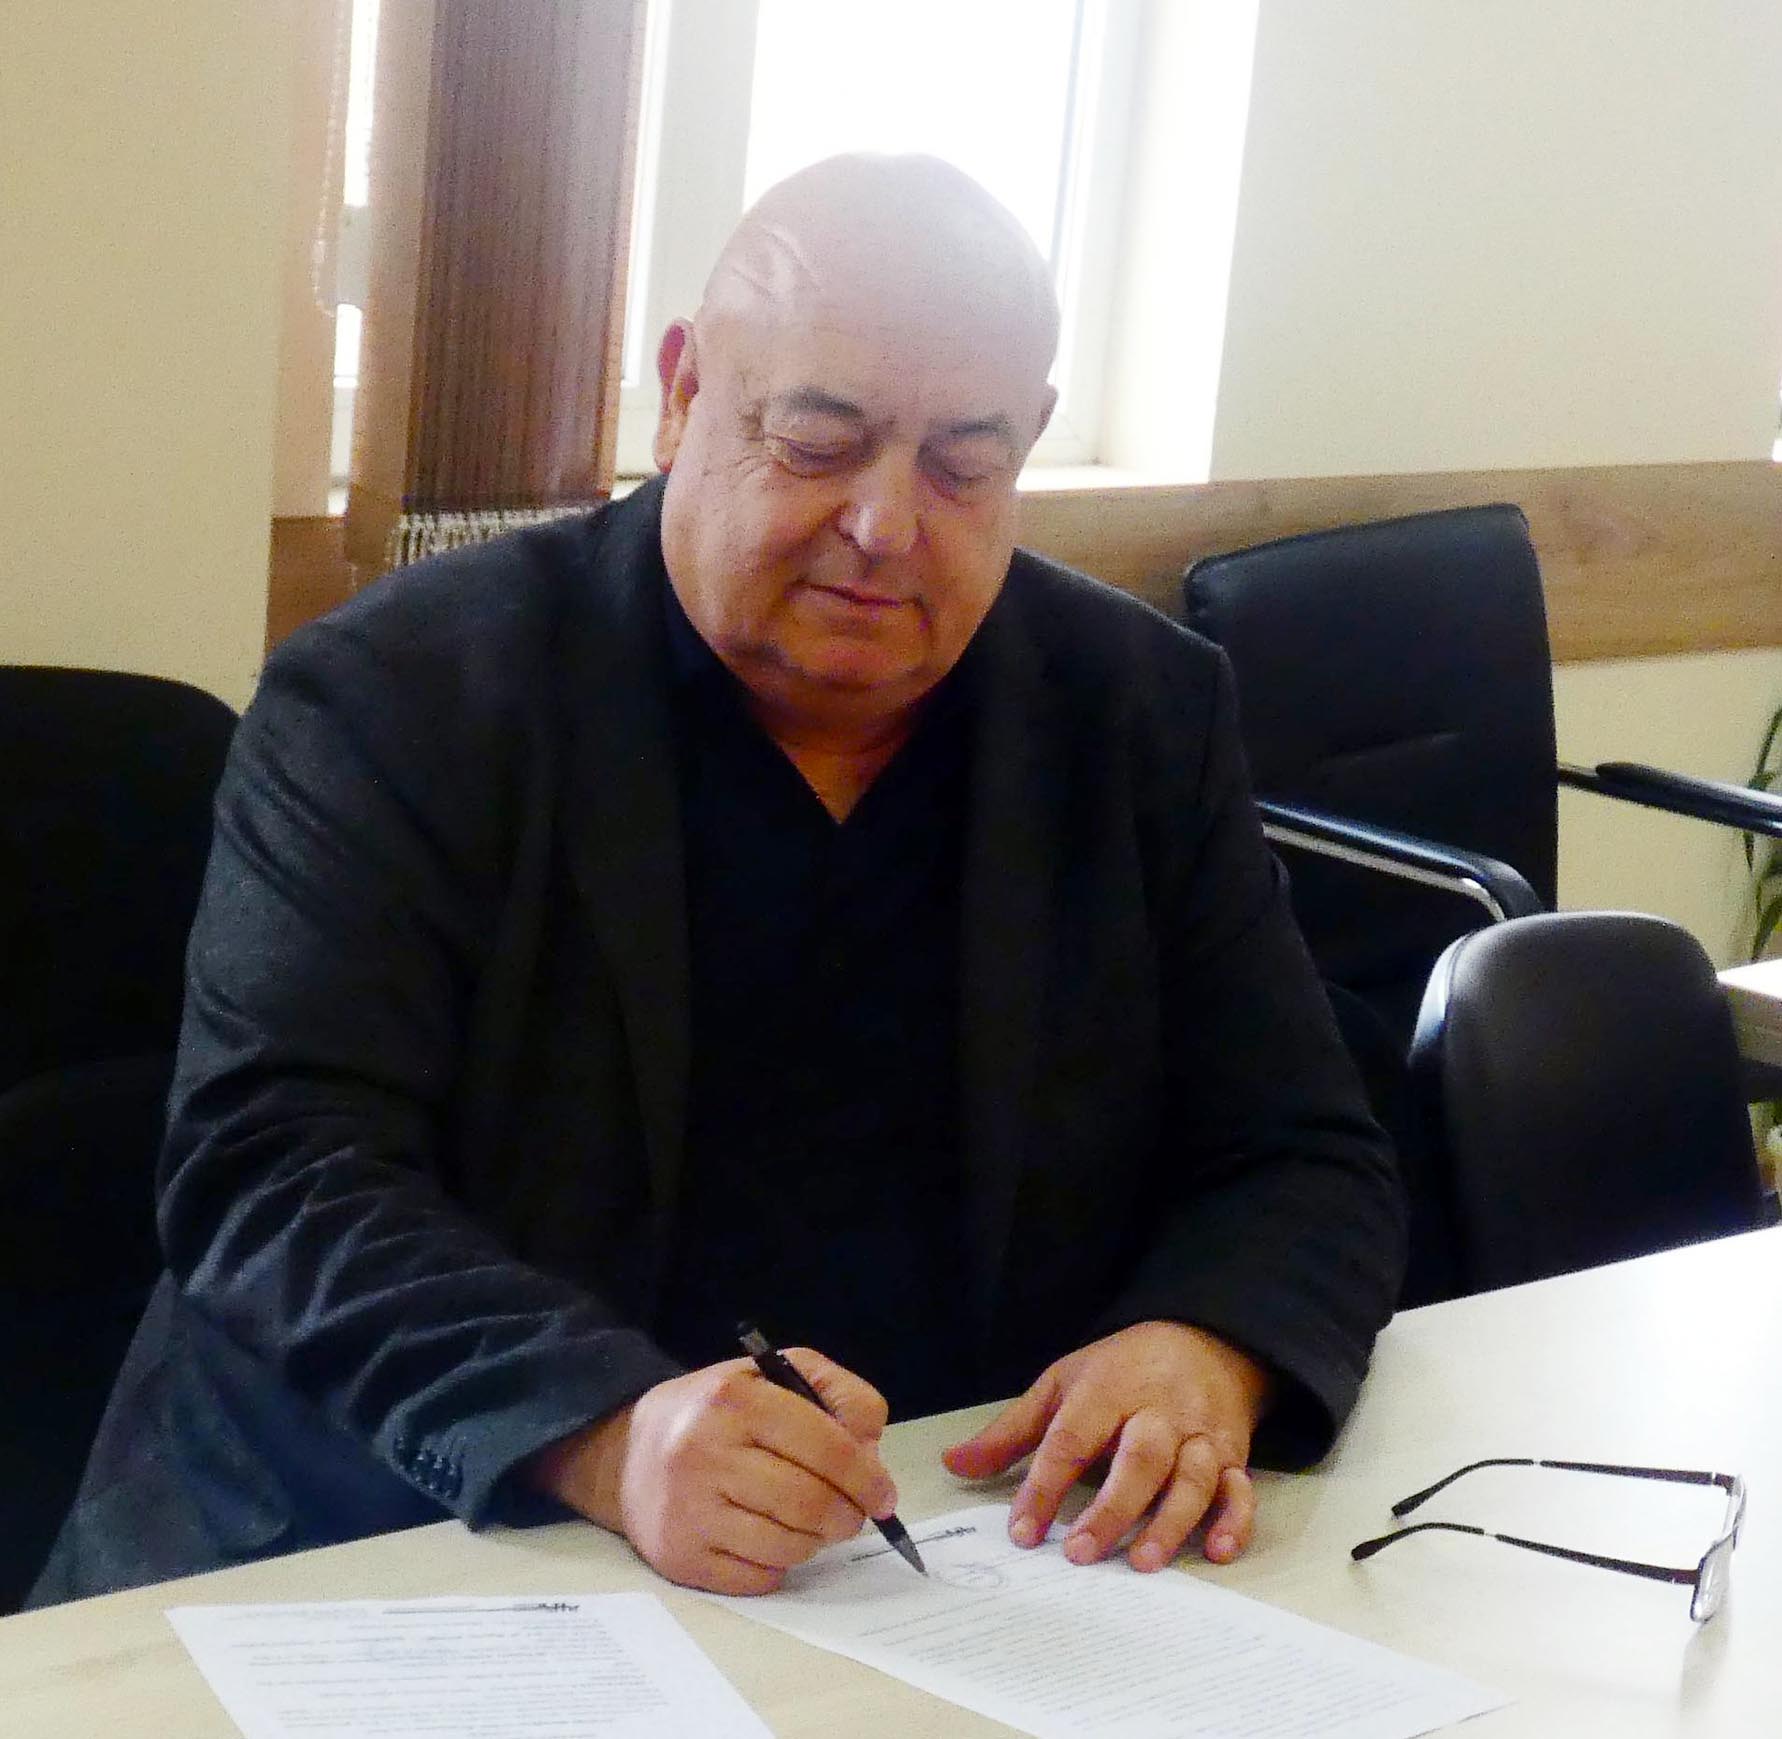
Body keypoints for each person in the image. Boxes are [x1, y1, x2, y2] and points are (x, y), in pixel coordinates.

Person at [34, 155, 1404, 1606]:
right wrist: (602, 1431)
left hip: (942, 1559)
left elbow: (1300, 1147)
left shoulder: (1133, 711)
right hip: (391, 1548)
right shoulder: (401, 701)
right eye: (818, 439)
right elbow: (275, 1172)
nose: (885, 524)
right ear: (683, 393)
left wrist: (1209, 1344)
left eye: (963, 462)